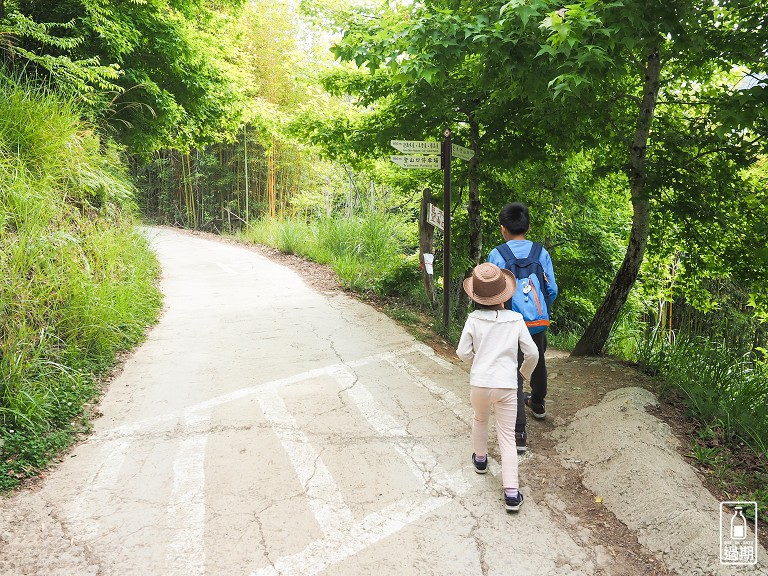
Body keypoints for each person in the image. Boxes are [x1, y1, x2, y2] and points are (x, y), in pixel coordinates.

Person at [456, 262, 539, 512]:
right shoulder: (515, 320)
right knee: (506, 436)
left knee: (480, 420)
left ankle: (480, 460)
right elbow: (532, 353)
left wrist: (476, 363)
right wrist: (522, 374)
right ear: (505, 294)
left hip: (480, 383)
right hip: (506, 385)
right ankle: (512, 494)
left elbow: (462, 352)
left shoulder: (473, 319)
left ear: (476, 296)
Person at [487, 202, 558, 453]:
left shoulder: (497, 254)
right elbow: (552, 289)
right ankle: (538, 403)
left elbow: (492, 290)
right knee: (537, 361)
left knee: (513, 372)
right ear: (528, 227)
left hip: (509, 322)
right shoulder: (541, 252)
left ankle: (519, 432)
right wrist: (541, 309)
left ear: (503, 229)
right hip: (537, 322)